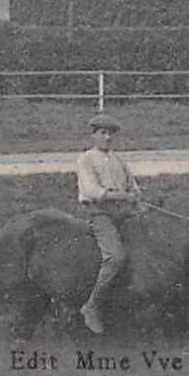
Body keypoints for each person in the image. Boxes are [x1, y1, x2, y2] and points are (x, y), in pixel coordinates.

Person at [75, 113, 143, 335]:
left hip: (125, 212)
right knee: (116, 257)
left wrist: (135, 197)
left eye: (111, 134)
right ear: (94, 135)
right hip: (100, 213)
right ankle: (92, 306)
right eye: (102, 133)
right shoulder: (86, 159)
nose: (107, 138)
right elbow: (91, 190)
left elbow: (133, 186)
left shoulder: (118, 160)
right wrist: (120, 196)